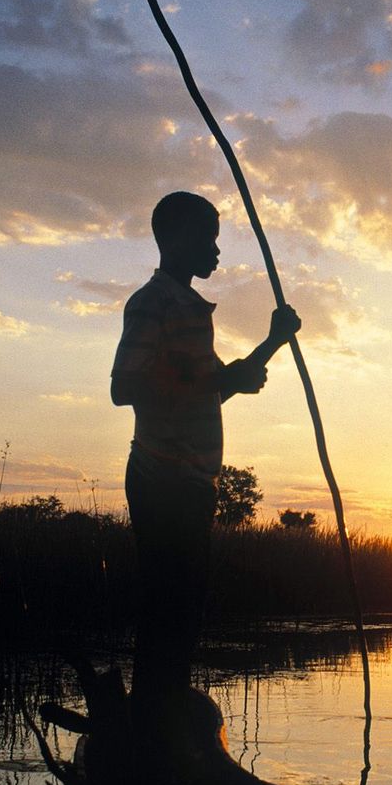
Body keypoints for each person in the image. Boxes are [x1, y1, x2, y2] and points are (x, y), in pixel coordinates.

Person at [111, 191, 300, 722]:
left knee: (184, 608)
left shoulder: (189, 310)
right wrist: (221, 377)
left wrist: (272, 344)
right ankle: (154, 719)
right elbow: (124, 387)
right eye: (206, 238)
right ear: (173, 240)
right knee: (169, 607)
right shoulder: (155, 303)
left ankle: (162, 712)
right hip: (161, 477)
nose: (216, 250)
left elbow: (213, 388)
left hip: (191, 483)